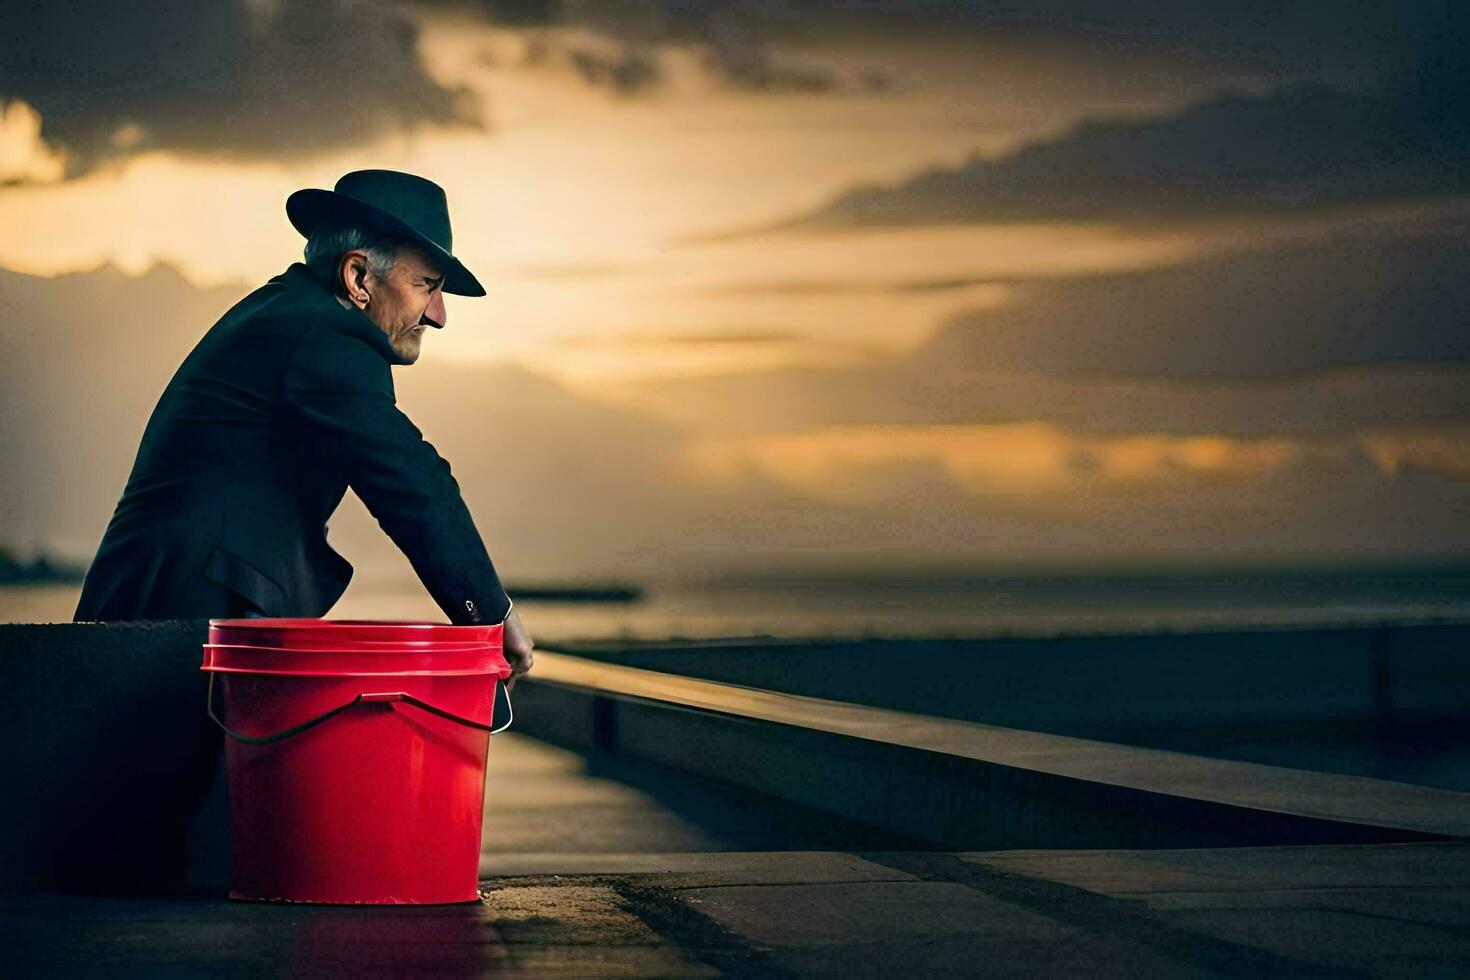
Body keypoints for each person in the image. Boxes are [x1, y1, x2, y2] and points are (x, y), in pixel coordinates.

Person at [73, 168, 534, 684]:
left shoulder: (291, 315)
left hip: (162, 619)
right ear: (359, 277)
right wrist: (494, 618)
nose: (439, 315)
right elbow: (412, 482)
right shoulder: (326, 339)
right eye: (426, 285)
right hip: (175, 629)